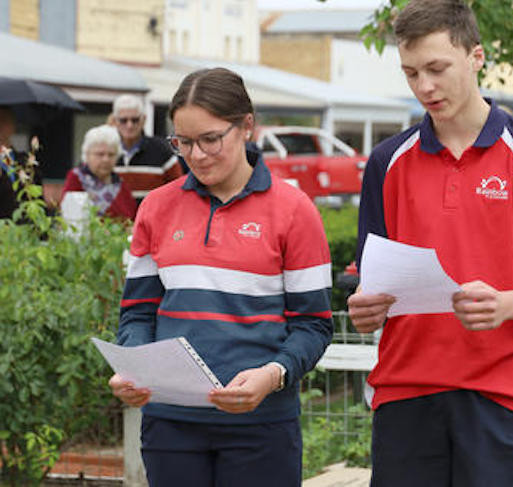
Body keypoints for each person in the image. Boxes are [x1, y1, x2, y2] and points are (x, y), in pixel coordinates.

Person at [346, 1, 513, 485]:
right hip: (404, 392)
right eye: (411, 72)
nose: (424, 87)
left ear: (476, 56)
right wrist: (364, 307)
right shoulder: (385, 162)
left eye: (437, 69)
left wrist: (506, 304)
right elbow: (371, 280)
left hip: (501, 394)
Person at [107, 67, 333, 487]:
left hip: (262, 426)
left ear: (247, 126)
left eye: (210, 139)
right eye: (184, 142)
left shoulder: (295, 210)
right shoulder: (156, 208)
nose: (196, 155)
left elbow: (314, 325)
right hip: (170, 425)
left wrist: (274, 374)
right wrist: (135, 366)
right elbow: (137, 315)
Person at [111, 94, 184, 203]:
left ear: (144, 120)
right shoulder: (105, 151)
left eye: (135, 120)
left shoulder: (162, 151)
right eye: (123, 120)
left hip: (153, 219)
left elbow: (179, 191)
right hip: (112, 220)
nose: (129, 125)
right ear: (115, 121)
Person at [60, 124, 137, 220]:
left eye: (111, 154)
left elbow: (132, 217)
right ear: (87, 155)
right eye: (100, 154)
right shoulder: (76, 179)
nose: (106, 159)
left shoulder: (120, 184)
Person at [0, 106, 44, 220]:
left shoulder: (26, 161)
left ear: (13, 126)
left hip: (24, 230)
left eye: (4, 120)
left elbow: (38, 198)